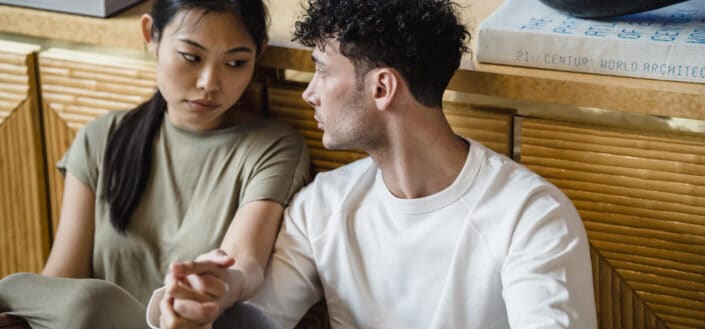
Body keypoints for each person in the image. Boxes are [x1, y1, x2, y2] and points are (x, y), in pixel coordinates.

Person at [150, 0, 598, 328]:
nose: (311, 92)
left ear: (383, 88)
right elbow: (258, 319)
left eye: (323, 70)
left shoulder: (531, 217)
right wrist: (206, 304)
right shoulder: (322, 207)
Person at [0, 0, 309, 328]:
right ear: (151, 35)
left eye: (235, 62)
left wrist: (216, 286)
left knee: (91, 303)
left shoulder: (272, 147)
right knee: (82, 304)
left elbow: (245, 263)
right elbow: (60, 282)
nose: (209, 82)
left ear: (258, 53)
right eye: (191, 57)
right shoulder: (101, 138)